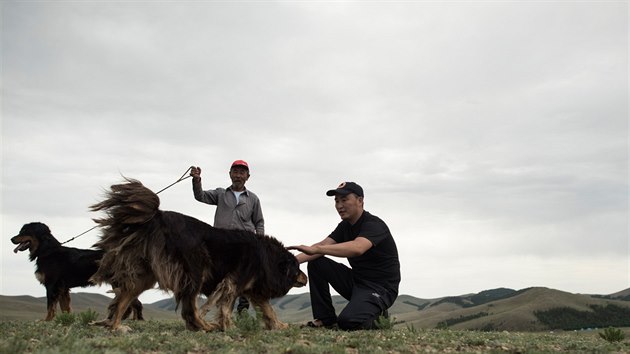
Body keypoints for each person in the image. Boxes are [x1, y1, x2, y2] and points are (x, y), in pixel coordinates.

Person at [288, 181, 400, 330]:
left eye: (344, 200)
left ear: (360, 201)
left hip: (380, 288)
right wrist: (289, 262)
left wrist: (318, 250)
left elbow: (358, 248)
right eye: (336, 201)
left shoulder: (374, 224)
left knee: (348, 322)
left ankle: (379, 318)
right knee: (317, 263)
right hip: (357, 282)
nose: (339, 205)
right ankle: (325, 319)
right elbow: (319, 246)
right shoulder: (345, 226)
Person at [190, 160, 264, 312]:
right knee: (220, 275)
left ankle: (242, 310)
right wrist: (196, 180)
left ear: (247, 177)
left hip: (245, 245)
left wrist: (260, 242)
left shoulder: (253, 199)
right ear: (230, 174)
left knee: (243, 275)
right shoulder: (220, 194)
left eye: (242, 173)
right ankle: (223, 309)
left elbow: (259, 222)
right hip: (221, 243)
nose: (238, 175)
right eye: (235, 172)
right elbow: (200, 196)